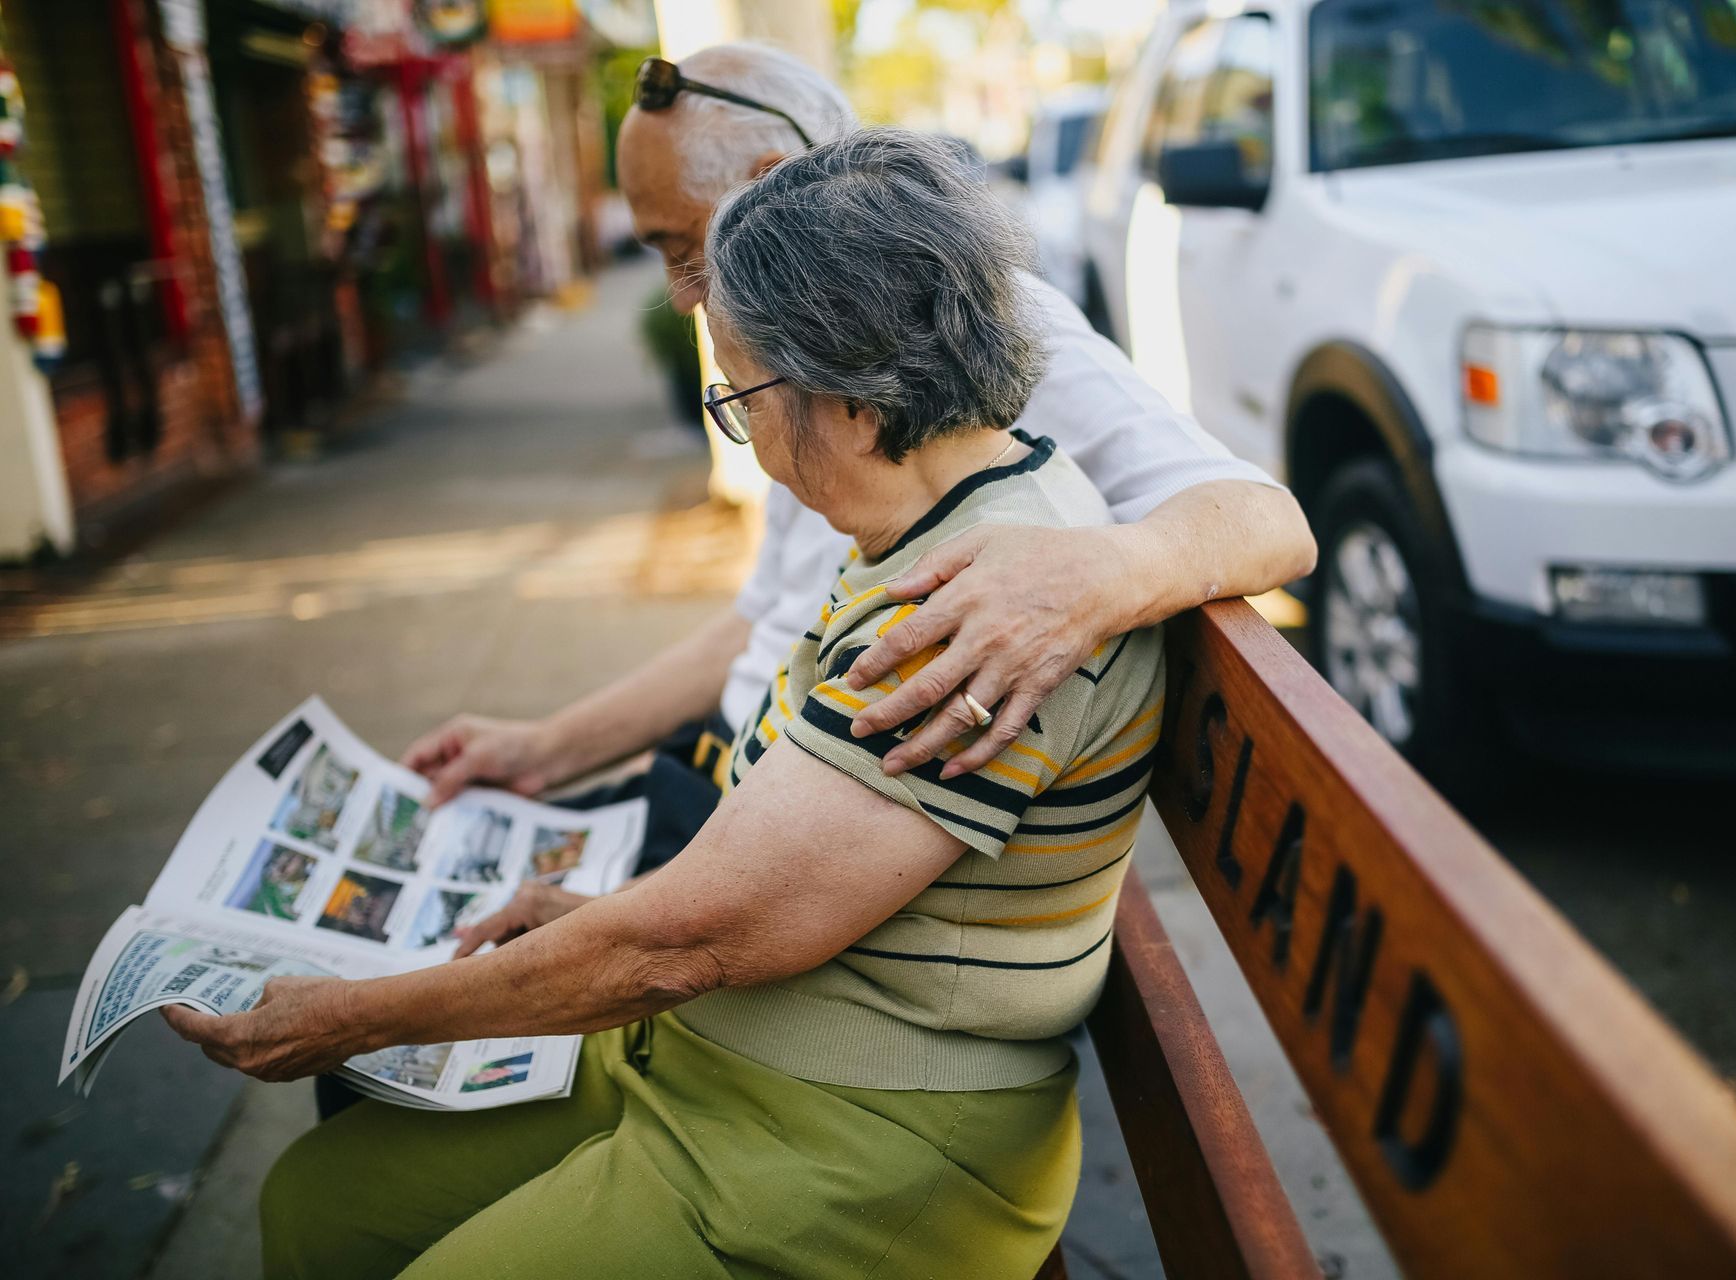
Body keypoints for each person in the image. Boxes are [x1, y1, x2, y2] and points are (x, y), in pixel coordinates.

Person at [165, 128, 1168, 1280]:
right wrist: (604, 903)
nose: (751, 452)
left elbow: (694, 940)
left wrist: (353, 1015)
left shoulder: (968, 615)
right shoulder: (966, 507)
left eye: (739, 399)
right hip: (727, 1064)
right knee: (319, 1205)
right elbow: (764, 879)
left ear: (841, 396)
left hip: (852, 1141)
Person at [399, 43, 1314, 832]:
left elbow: (1269, 521)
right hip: (736, 767)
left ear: (766, 185)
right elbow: (761, 624)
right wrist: (543, 751)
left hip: (792, 805)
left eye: (683, 248)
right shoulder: (799, 358)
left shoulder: (962, 320)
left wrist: (1090, 579)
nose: (682, 294)